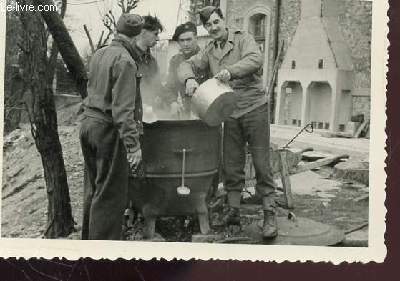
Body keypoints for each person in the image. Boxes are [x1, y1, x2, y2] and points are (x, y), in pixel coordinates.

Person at [178, 6, 278, 238]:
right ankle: (233, 211)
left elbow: (255, 59)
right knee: (232, 164)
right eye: (208, 25)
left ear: (223, 21)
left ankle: (269, 214)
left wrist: (230, 72)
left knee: (262, 164)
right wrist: (190, 79)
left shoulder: (243, 38)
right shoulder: (210, 48)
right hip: (230, 111)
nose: (213, 28)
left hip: (254, 107)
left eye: (216, 22)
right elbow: (186, 65)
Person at [80, 14, 144, 240]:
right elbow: (123, 111)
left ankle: (87, 249)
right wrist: (133, 146)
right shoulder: (126, 61)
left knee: (94, 191)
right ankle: (102, 261)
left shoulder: (99, 54)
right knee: (109, 197)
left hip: (88, 125)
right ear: (136, 37)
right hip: (107, 131)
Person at [165, 21, 208, 118]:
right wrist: (173, 102)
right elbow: (170, 86)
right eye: (182, 40)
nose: (185, 44)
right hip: (186, 111)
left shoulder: (206, 56)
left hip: (206, 111)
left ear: (196, 38)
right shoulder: (175, 61)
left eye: (189, 40)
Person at [131, 15, 168, 114]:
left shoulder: (152, 61)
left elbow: (158, 86)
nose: (158, 38)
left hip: (151, 116)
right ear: (143, 32)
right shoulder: (128, 58)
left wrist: (166, 99)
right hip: (132, 117)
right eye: (155, 34)